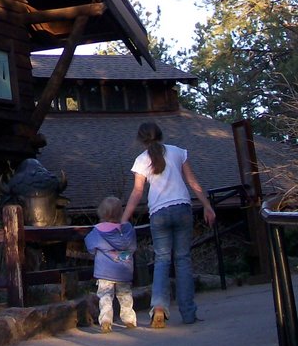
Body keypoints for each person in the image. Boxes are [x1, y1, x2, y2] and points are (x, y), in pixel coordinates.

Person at [122, 120, 216, 328]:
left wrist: (124, 218)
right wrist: (207, 206)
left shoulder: (141, 160)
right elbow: (192, 182)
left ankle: (158, 308)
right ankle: (188, 313)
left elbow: (138, 192)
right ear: (161, 134)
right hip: (182, 208)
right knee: (183, 260)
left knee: (162, 260)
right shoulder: (177, 152)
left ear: (141, 139)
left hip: (159, 212)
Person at [85, 194, 137, 332]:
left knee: (105, 296)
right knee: (125, 294)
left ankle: (106, 319)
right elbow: (132, 248)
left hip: (105, 271)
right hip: (124, 271)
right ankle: (129, 319)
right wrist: (121, 256)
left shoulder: (98, 231)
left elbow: (90, 246)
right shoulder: (128, 230)